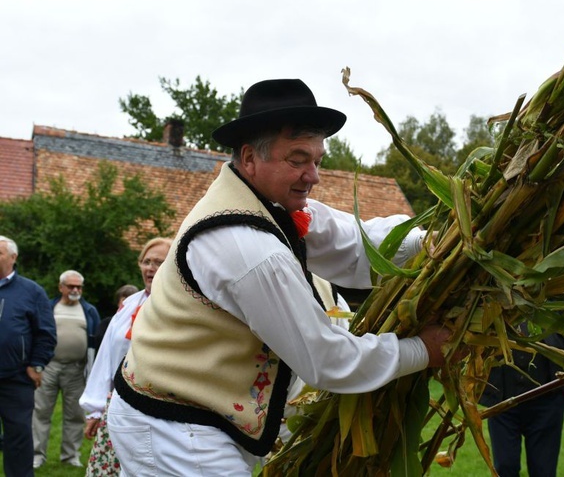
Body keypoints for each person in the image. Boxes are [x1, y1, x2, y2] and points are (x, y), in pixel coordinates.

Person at [107, 78, 452, 475]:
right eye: (297, 159)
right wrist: (423, 350)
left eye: (317, 160)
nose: (313, 175)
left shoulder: (271, 208)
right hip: (173, 424)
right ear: (250, 158)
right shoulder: (246, 247)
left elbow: (358, 241)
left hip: (208, 418)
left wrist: (435, 242)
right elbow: (326, 360)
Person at [80, 238, 172, 476]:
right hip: (119, 403)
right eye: (147, 261)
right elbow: (107, 356)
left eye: (159, 262)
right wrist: (96, 408)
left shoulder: (181, 305)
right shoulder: (130, 304)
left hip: (161, 409)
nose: (151, 268)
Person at [479, 323, 564, 477]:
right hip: (502, 403)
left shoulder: (557, 302)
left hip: (547, 404)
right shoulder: (492, 301)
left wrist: (563, 389)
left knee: (543, 470)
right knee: (504, 466)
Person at [0, 235, 57, 477]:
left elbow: (46, 333)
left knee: (18, 437)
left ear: (13, 257)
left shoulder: (31, 291)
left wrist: (37, 364)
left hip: (16, 378)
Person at [32, 269, 100, 469]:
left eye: (79, 286)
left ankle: (70, 456)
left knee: (75, 415)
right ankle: (37, 455)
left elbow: (95, 342)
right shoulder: (48, 307)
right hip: (49, 367)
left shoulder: (89, 311)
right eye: (71, 286)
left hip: (77, 369)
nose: (75, 290)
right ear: (60, 287)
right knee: (41, 412)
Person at [92, 284, 139, 353]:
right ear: (118, 302)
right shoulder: (107, 323)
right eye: (124, 300)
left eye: (131, 300)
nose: (127, 303)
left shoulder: (139, 323)